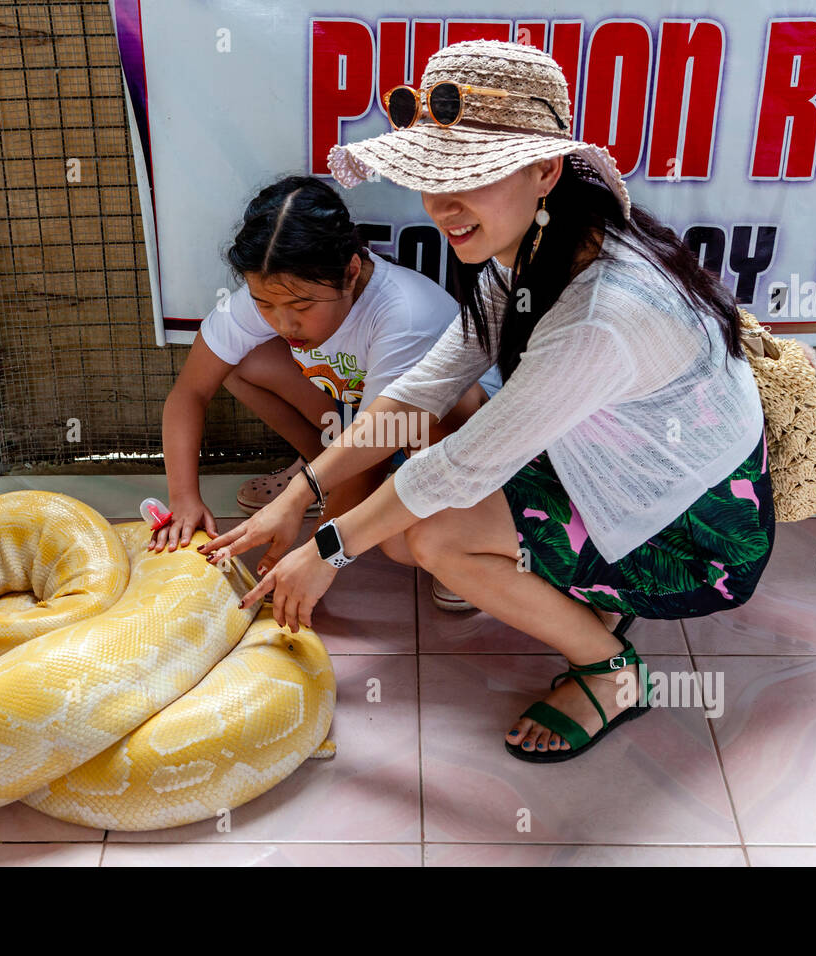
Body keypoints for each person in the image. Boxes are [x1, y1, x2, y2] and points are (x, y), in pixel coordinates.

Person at [200, 39, 775, 764]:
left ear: (544, 169)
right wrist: (305, 491)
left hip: (705, 530)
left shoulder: (600, 312)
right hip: (627, 466)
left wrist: (328, 547)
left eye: (471, 176)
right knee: (422, 523)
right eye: (431, 177)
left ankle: (612, 673)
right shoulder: (534, 249)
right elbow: (423, 391)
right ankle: (592, 588)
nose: (442, 204)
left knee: (437, 539)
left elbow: (460, 467)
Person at [152, 174, 500, 604]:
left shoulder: (404, 314)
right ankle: (321, 474)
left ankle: (462, 537)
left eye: (301, 306)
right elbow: (190, 391)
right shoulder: (267, 293)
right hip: (364, 427)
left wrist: (315, 554)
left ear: (352, 272)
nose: (283, 323)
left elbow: (375, 446)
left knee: (429, 438)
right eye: (266, 304)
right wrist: (183, 498)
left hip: (453, 439)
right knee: (239, 363)